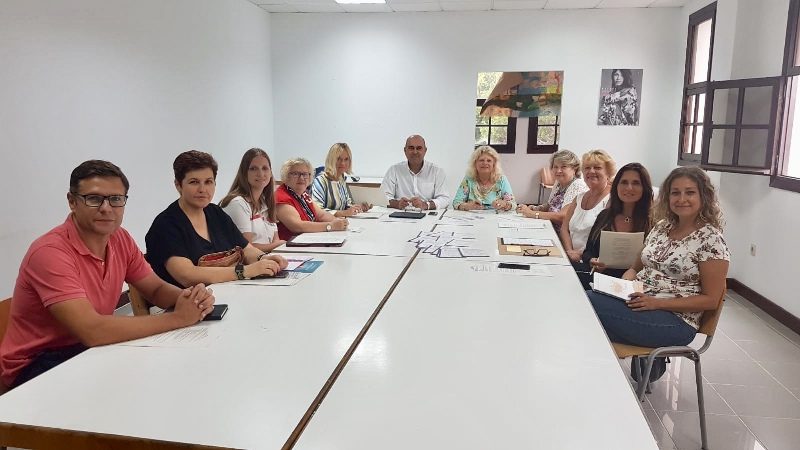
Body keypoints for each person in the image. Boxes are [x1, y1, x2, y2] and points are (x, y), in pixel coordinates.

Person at [0, 160, 215, 390]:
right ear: (72, 201)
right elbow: (92, 331)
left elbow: (155, 289)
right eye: (94, 199)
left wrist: (190, 298)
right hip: (35, 364)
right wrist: (178, 318)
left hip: (87, 349)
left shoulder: (119, 238)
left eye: (116, 199)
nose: (106, 208)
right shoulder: (49, 252)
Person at [587, 167, 729, 380]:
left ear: (704, 196)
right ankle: (622, 371)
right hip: (639, 303)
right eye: (675, 192)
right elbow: (635, 268)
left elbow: (710, 300)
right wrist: (623, 286)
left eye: (690, 192)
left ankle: (628, 367)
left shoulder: (711, 240)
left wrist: (657, 303)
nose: (681, 199)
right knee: (586, 309)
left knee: (587, 306)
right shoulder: (662, 227)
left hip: (675, 321)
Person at [146, 151, 287, 289]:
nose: (202, 189)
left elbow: (247, 249)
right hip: (192, 301)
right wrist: (245, 271)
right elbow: (187, 275)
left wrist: (263, 259)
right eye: (194, 182)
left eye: (208, 182)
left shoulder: (216, 213)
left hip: (231, 293)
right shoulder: (165, 226)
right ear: (178, 185)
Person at [577, 162, 654, 289]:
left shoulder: (653, 223)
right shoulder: (605, 216)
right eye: (624, 182)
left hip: (633, 285)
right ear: (616, 186)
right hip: (598, 278)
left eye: (636, 183)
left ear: (645, 188)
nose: (629, 188)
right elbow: (588, 252)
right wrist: (592, 261)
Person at [220, 148, 285, 253]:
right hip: (249, 261)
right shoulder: (237, 203)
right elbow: (246, 248)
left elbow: (275, 239)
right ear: (244, 173)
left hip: (267, 258)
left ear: (270, 172)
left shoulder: (265, 202)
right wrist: (279, 245)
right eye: (253, 168)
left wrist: (277, 246)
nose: (260, 173)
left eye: (265, 168)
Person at [560, 149, 615, 263]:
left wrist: (582, 255)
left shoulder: (612, 200)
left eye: (597, 167)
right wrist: (570, 251)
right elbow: (564, 228)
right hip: (570, 257)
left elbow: (607, 240)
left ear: (608, 173)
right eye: (587, 168)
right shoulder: (578, 198)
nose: (591, 171)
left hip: (592, 262)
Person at [275, 157, 348, 240]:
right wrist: (331, 226)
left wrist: (339, 222)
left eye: (305, 174)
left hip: (308, 239)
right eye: (295, 174)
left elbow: (322, 215)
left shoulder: (303, 194)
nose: (301, 178)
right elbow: (297, 226)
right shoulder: (280, 196)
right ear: (286, 176)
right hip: (290, 244)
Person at [517, 149, 588, 229]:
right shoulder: (558, 183)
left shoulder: (577, 185)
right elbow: (550, 205)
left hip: (566, 233)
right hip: (551, 227)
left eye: (563, 167)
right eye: (555, 167)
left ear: (574, 169)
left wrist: (532, 214)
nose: (558, 170)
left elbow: (563, 217)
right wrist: (535, 208)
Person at [381, 134, 451, 210]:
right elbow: (383, 197)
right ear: (405, 150)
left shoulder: (437, 171)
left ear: (425, 151)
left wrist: (425, 205)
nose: (415, 152)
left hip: (426, 214)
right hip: (400, 214)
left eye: (419, 148)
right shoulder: (394, 170)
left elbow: (444, 199)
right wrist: (397, 204)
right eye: (411, 148)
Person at [311, 142, 371, 217]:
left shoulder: (341, 179)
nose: (343, 163)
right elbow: (317, 211)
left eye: (346, 159)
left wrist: (358, 208)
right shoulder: (320, 181)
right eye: (338, 159)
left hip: (341, 221)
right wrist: (344, 213)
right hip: (327, 223)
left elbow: (347, 204)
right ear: (331, 160)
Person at [452, 145, 516, 211]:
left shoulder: (501, 179)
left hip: (495, 217)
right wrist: (468, 206)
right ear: (475, 163)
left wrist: (505, 204)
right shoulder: (469, 179)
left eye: (489, 160)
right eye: (481, 160)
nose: (485, 163)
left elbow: (513, 205)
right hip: (472, 216)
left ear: (494, 164)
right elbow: (456, 203)